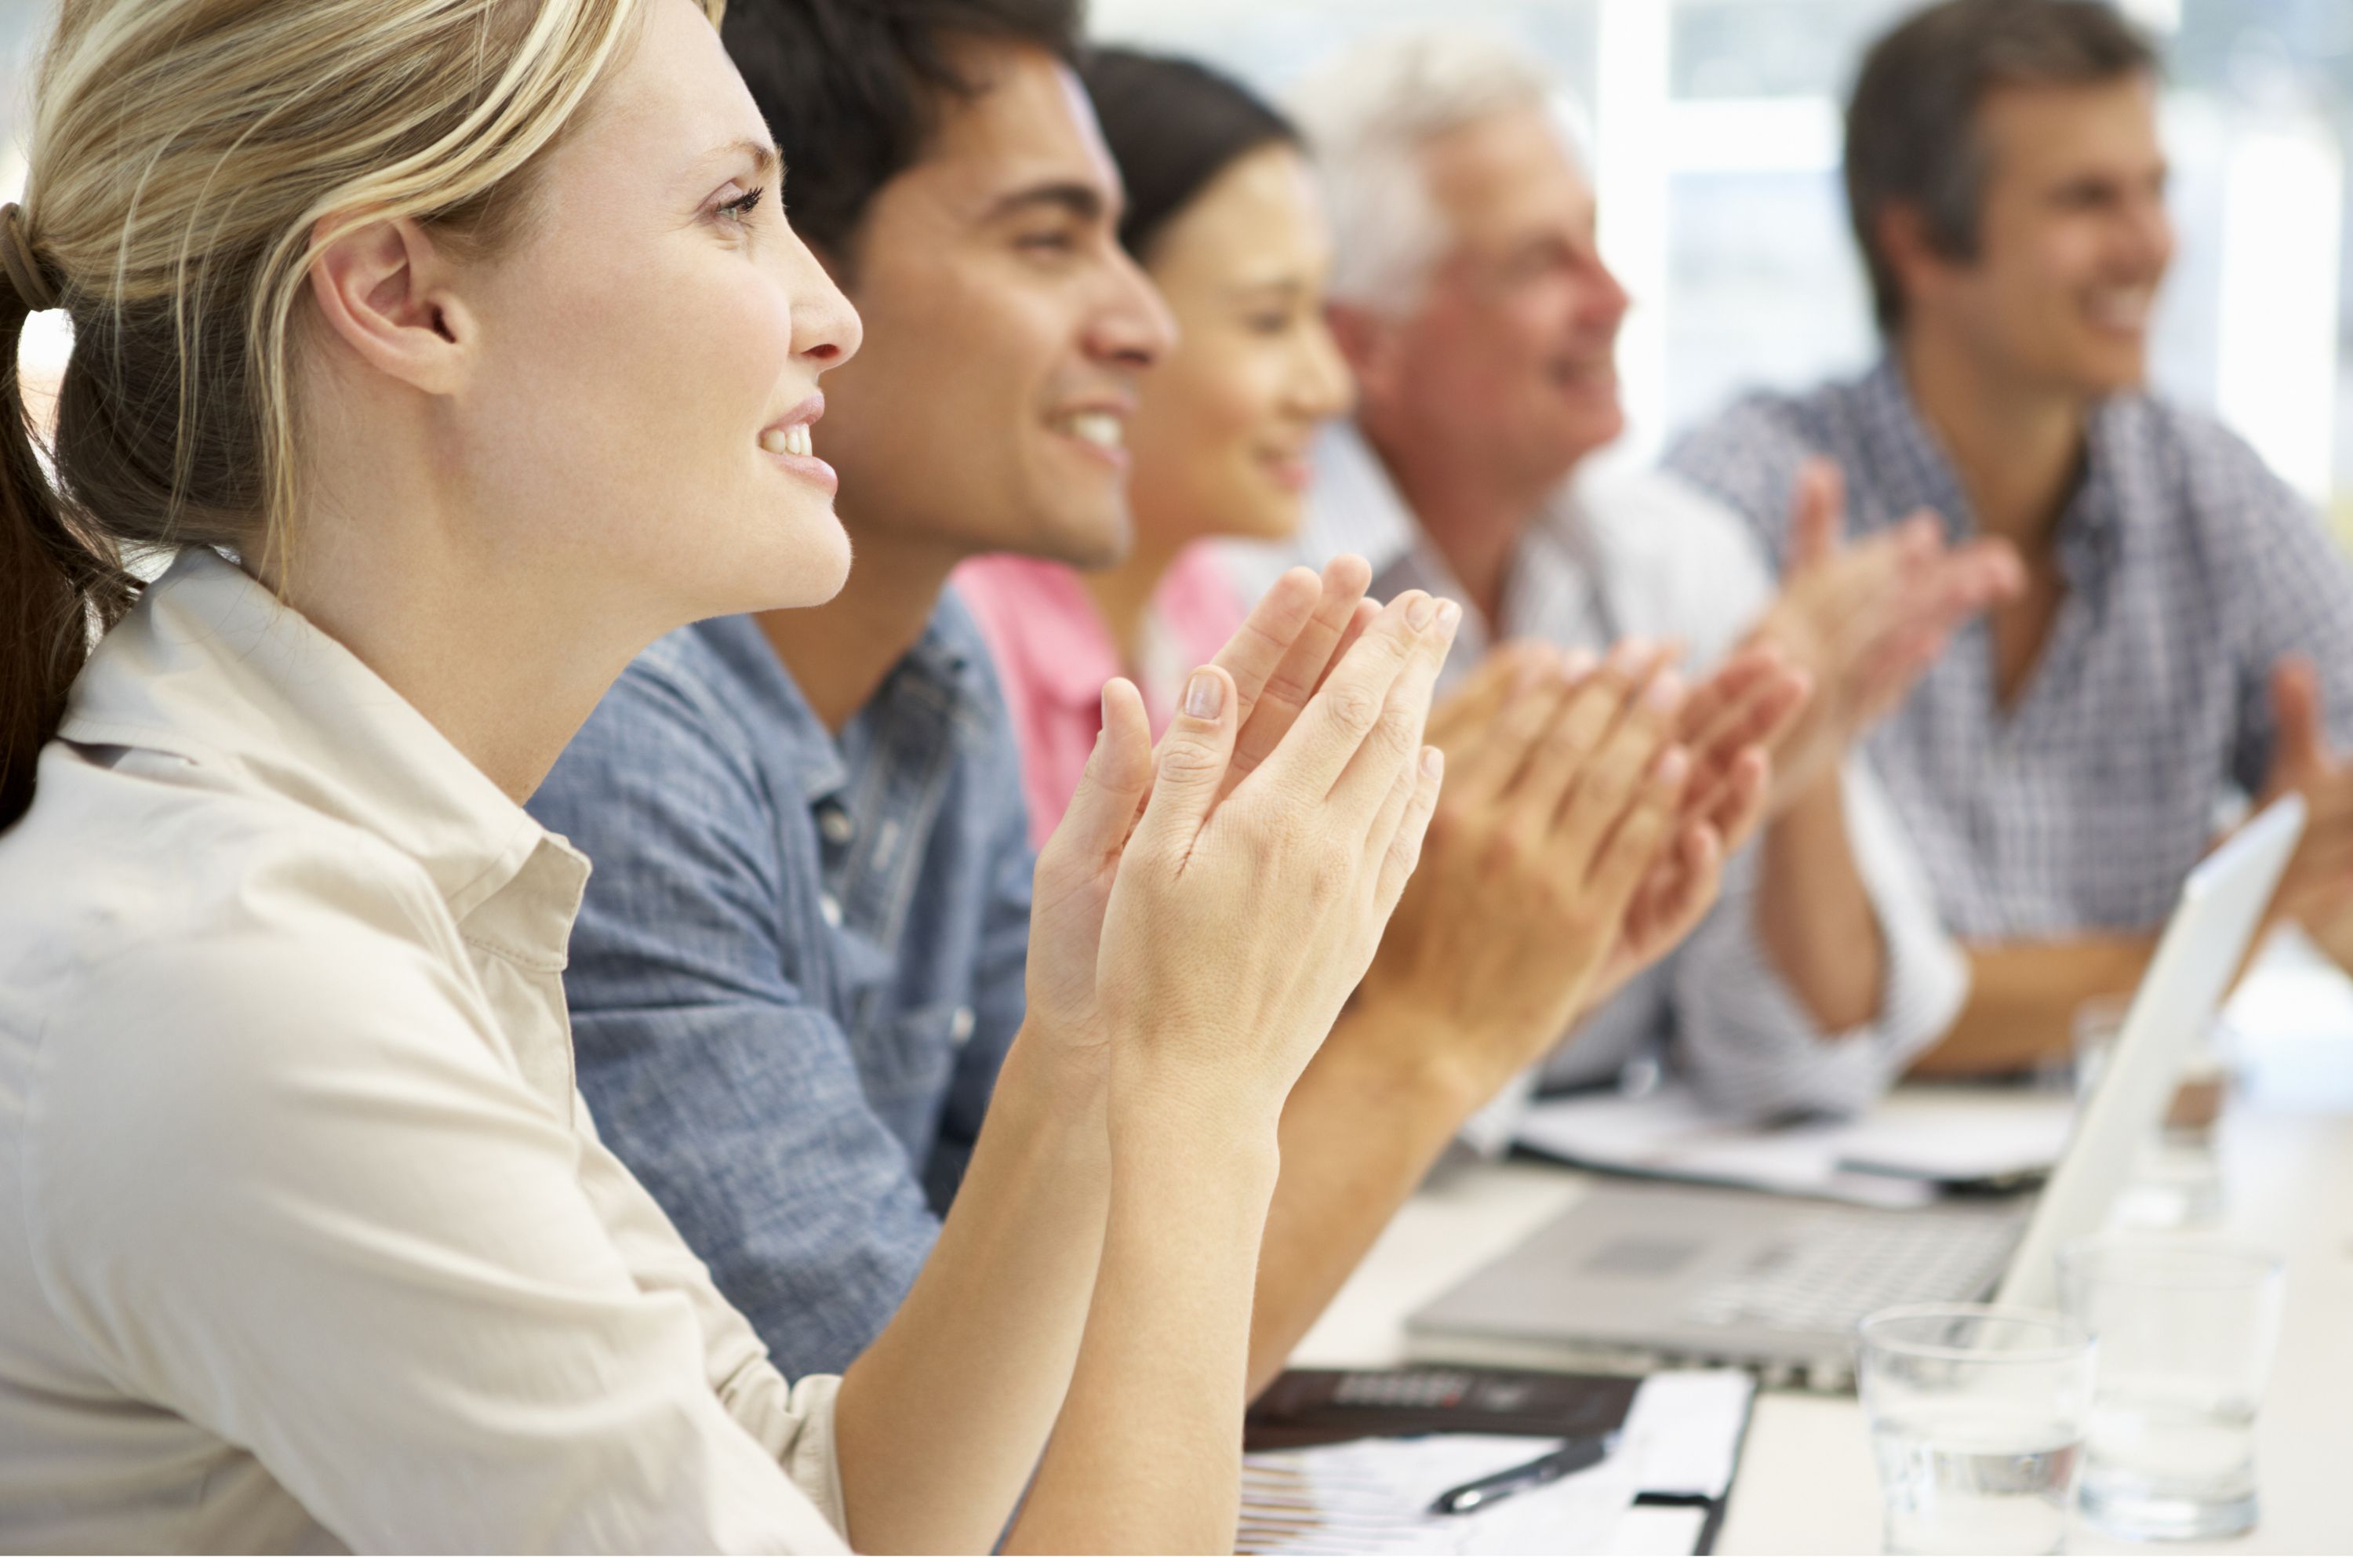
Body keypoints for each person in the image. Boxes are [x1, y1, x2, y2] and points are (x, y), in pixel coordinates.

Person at [0, 0, 1458, 1551]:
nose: (826, 311)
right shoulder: (248, 986)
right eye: (734, 211)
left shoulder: (351, 870)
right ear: (406, 299)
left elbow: (816, 1503)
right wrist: (1208, 1087)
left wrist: (1092, 1046)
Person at [532, 0, 1771, 1400]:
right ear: (799, 268)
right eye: (1049, 241)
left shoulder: (935, 686)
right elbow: (954, 1476)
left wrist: (1496, 975)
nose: (1141, 324)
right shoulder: (620, 741)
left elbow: (1083, 1272)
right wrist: (1434, 1026)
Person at [1225, 30, 2022, 1130]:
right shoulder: (1252, 598)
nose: (1614, 296)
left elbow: (1805, 1055)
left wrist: (1795, 743)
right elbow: (1255, 1085)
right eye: (1535, 263)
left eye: (1592, 240)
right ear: (1366, 345)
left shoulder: (1679, 553)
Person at [1667, 0, 2353, 1073]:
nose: (2151, 245)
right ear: (1921, 243)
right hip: (1815, 1199)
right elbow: (1816, 1015)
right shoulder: (1749, 504)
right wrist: (2209, 943)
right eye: (2088, 199)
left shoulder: (2210, 492)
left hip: (2132, 1166)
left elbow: (2333, 855)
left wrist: (2305, 887)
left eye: (2155, 190)